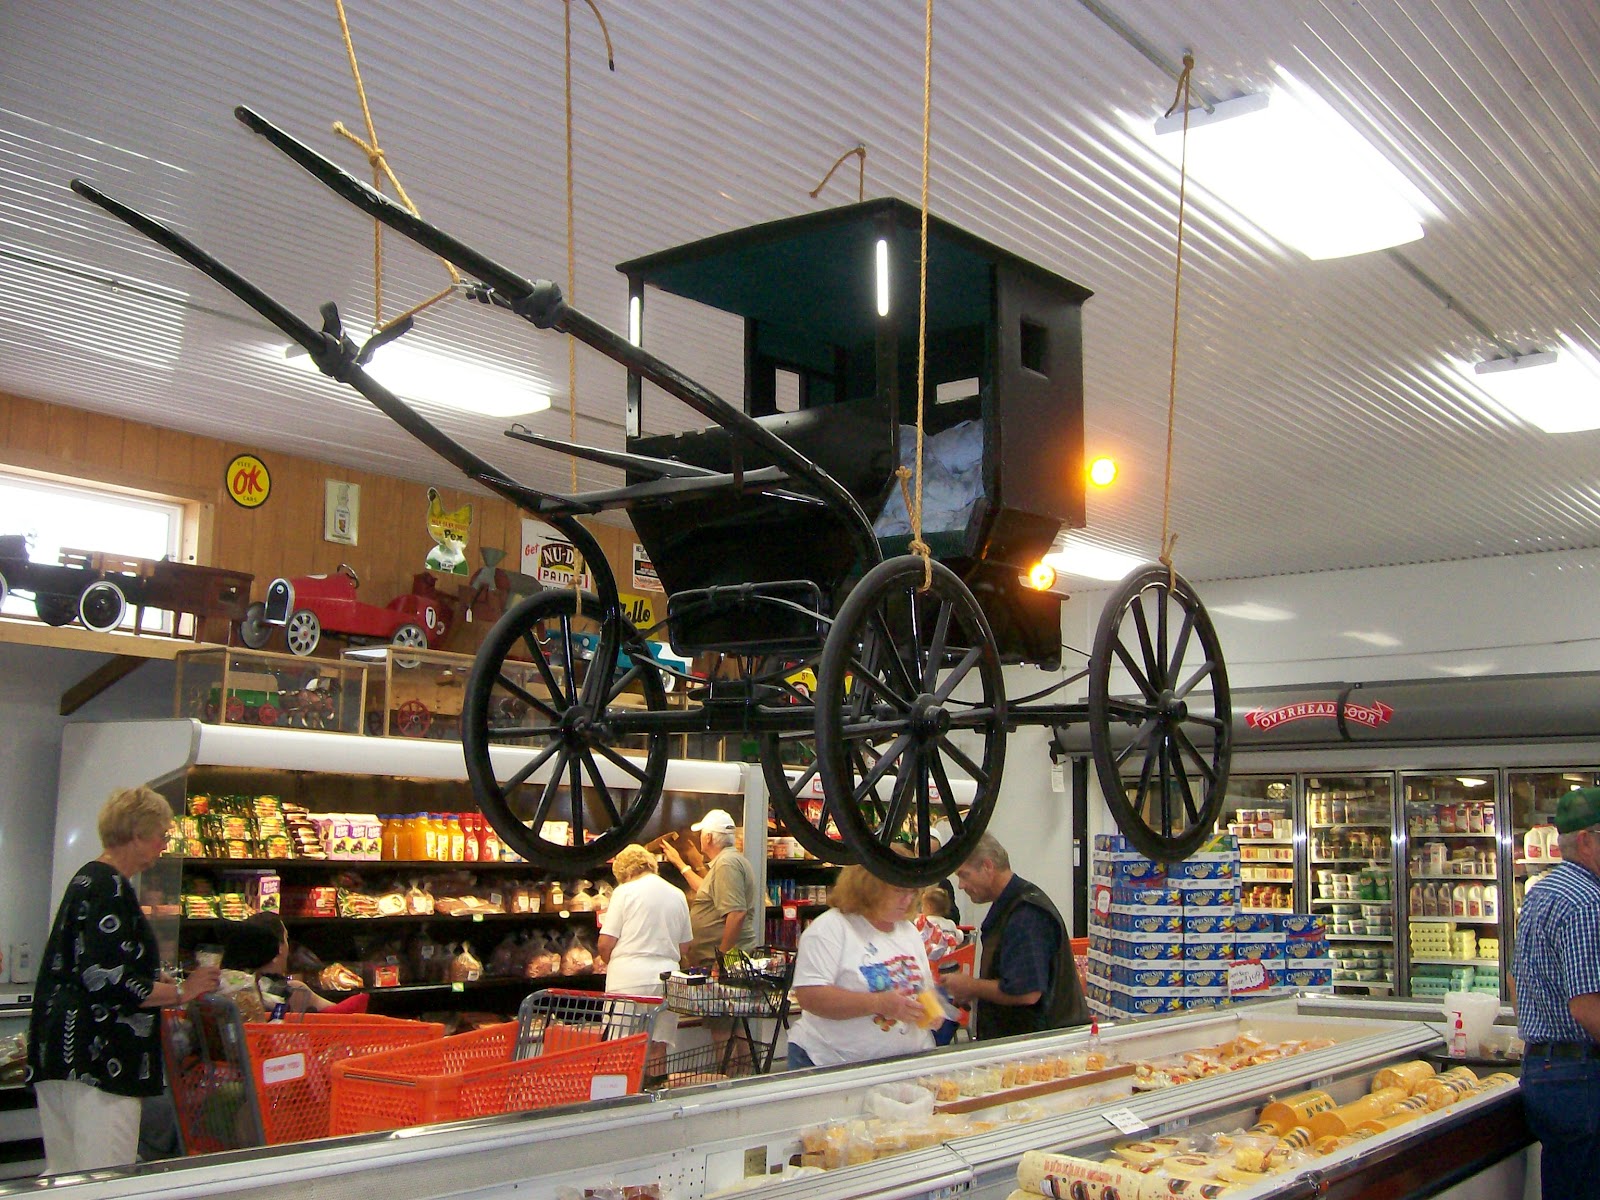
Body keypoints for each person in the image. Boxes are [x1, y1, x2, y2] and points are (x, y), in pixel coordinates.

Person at [26, 787, 222, 1175]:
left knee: (66, 1175)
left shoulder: (88, 880)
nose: (164, 845)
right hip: (101, 1060)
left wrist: (154, 980)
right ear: (136, 833)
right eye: (162, 835)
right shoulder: (109, 887)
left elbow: (93, 963)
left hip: (61, 1052)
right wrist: (183, 991)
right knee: (107, 1176)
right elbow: (109, 981)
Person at [1512, 786, 1600, 1200]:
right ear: (1586, 840)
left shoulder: (1542, 892)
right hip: (1583, 1076)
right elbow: (1588, 1007)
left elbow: (1516, 983)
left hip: (1547, 1071)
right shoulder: (1587, 902)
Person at [787, 865, 937, 1070]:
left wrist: (932, 1010)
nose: (908, 899)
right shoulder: (829, 929)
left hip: (904, 1063)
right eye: (899, 891)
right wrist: (878, 1003)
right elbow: (810, 996)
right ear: (869, 887)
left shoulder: (908, 931)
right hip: (833, 1062)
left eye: (912, 891)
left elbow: (924, 987)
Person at [944, 833, 1087, 1040]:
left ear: (987, 866)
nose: (961, 886)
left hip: (1040, 1049)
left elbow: (1026, 992)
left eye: (964, 875)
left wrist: (970, 986)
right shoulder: (1012, 906)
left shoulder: (1026, 914)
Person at [595, 843, 692, 1071]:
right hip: (668, 980)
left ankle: (626, 1099)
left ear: (625, 872)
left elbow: (605, 942)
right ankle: (656, 1093)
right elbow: (685, 946)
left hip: (628, 981)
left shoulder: (624, 892)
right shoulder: (677, 894)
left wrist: (610, 960)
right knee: (658, 1046)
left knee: (623, 1046)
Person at [662, 808, 758, 967]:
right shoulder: (728, 861)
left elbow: (737, 913)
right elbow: (706, 891)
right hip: (713, 958)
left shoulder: (727, 864)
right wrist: (681, 864)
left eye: (701, 834)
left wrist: (721, 959)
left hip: (724, 962)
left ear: (708, 837)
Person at [222, 913, 361, 1016]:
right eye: (286, 938)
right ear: (278, 948)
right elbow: (342, 1015)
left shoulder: (226, 985)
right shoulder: (293, 990)